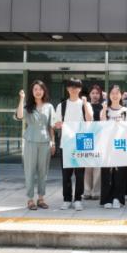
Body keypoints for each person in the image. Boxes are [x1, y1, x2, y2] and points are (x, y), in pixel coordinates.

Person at [14, 80, 56, 211]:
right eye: (35, 89)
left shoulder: (49, 106)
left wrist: (53, 142)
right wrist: (22, 99)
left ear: (44, 91)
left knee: (43, 171)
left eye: (40, 89)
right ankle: (30, 199)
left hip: (45, 141)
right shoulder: (28, 106)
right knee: (30, 170)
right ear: (32, 92)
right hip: (30, 141)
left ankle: (41, 198)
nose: (38, 92)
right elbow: (19, 116)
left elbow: (51, 126)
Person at [54, 78, 94, 211]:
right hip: (66, 142)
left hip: (81, 141)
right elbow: (57, 124)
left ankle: (78, 199)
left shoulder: (85, 104)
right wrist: (59, 124)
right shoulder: (62, 105)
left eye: (76, 87)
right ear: (67, 89)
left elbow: (89, 119)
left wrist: (85, 103)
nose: (74, 89)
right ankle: (66, 199)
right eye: (71, 86)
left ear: (80, 89)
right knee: (66, 174)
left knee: (80, 174)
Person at [100, 84, 127, 209]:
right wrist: (104, 109)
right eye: (112, 93)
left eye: (117, 93)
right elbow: (101, 124)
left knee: (120, 174)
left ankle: (118, 198)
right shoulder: (106, 109)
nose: (114, 95)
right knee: (106, 173)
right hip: (106, 146)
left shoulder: (125, 111)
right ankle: (107, 199)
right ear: (109, 95)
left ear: (121, 95)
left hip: (120, 146)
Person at [83, 84, 103, 200]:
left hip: (99, 137)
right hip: (87, 136)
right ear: (89, 94)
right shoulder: (85, 106)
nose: (95, 95)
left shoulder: (103, 106)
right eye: (93, 93)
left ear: (100, 95)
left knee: (97, 165)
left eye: (97, 93)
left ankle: (96, 192)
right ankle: (87, 191)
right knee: (87, 165)